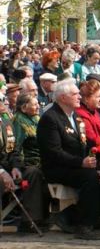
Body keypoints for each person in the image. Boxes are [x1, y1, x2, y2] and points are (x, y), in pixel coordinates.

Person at [37, 78, 100, 240]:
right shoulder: (50, 118)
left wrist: (93, 165)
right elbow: (54, 152)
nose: (79, 96)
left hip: (74, 166)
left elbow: (84, 145)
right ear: (62, 98)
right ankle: (83, 226)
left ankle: (69, 216)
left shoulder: (74, 117)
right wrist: (81, 163)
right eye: (75, 94)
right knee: (90, 178)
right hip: (57, 168)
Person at [10, 92, 50, 232]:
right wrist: (19, 166)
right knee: (34, 173)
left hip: (42, 160)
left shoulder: (37, 118)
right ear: (23, 108)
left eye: (37, 103)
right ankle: (32, 220)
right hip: (26, 163)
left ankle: (55, 216)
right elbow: (17, 146)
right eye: (34, 104)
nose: (38, 106)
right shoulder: (18, 121)